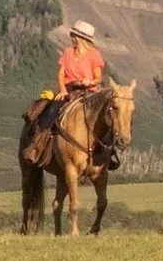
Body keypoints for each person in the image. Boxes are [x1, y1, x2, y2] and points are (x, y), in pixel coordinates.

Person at [22, 21, 105, 164]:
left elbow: (98, 78)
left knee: (106, 113)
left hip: (88, 90)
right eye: (73, 35)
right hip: (70, 88)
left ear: (81, 38)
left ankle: (108, 151)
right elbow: (61, 74)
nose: (72, 38)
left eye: (75, 36)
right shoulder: (68, 52)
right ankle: (37, 145)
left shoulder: (94, 55)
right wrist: (63, 90)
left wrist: (89, 81)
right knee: (51, 109)